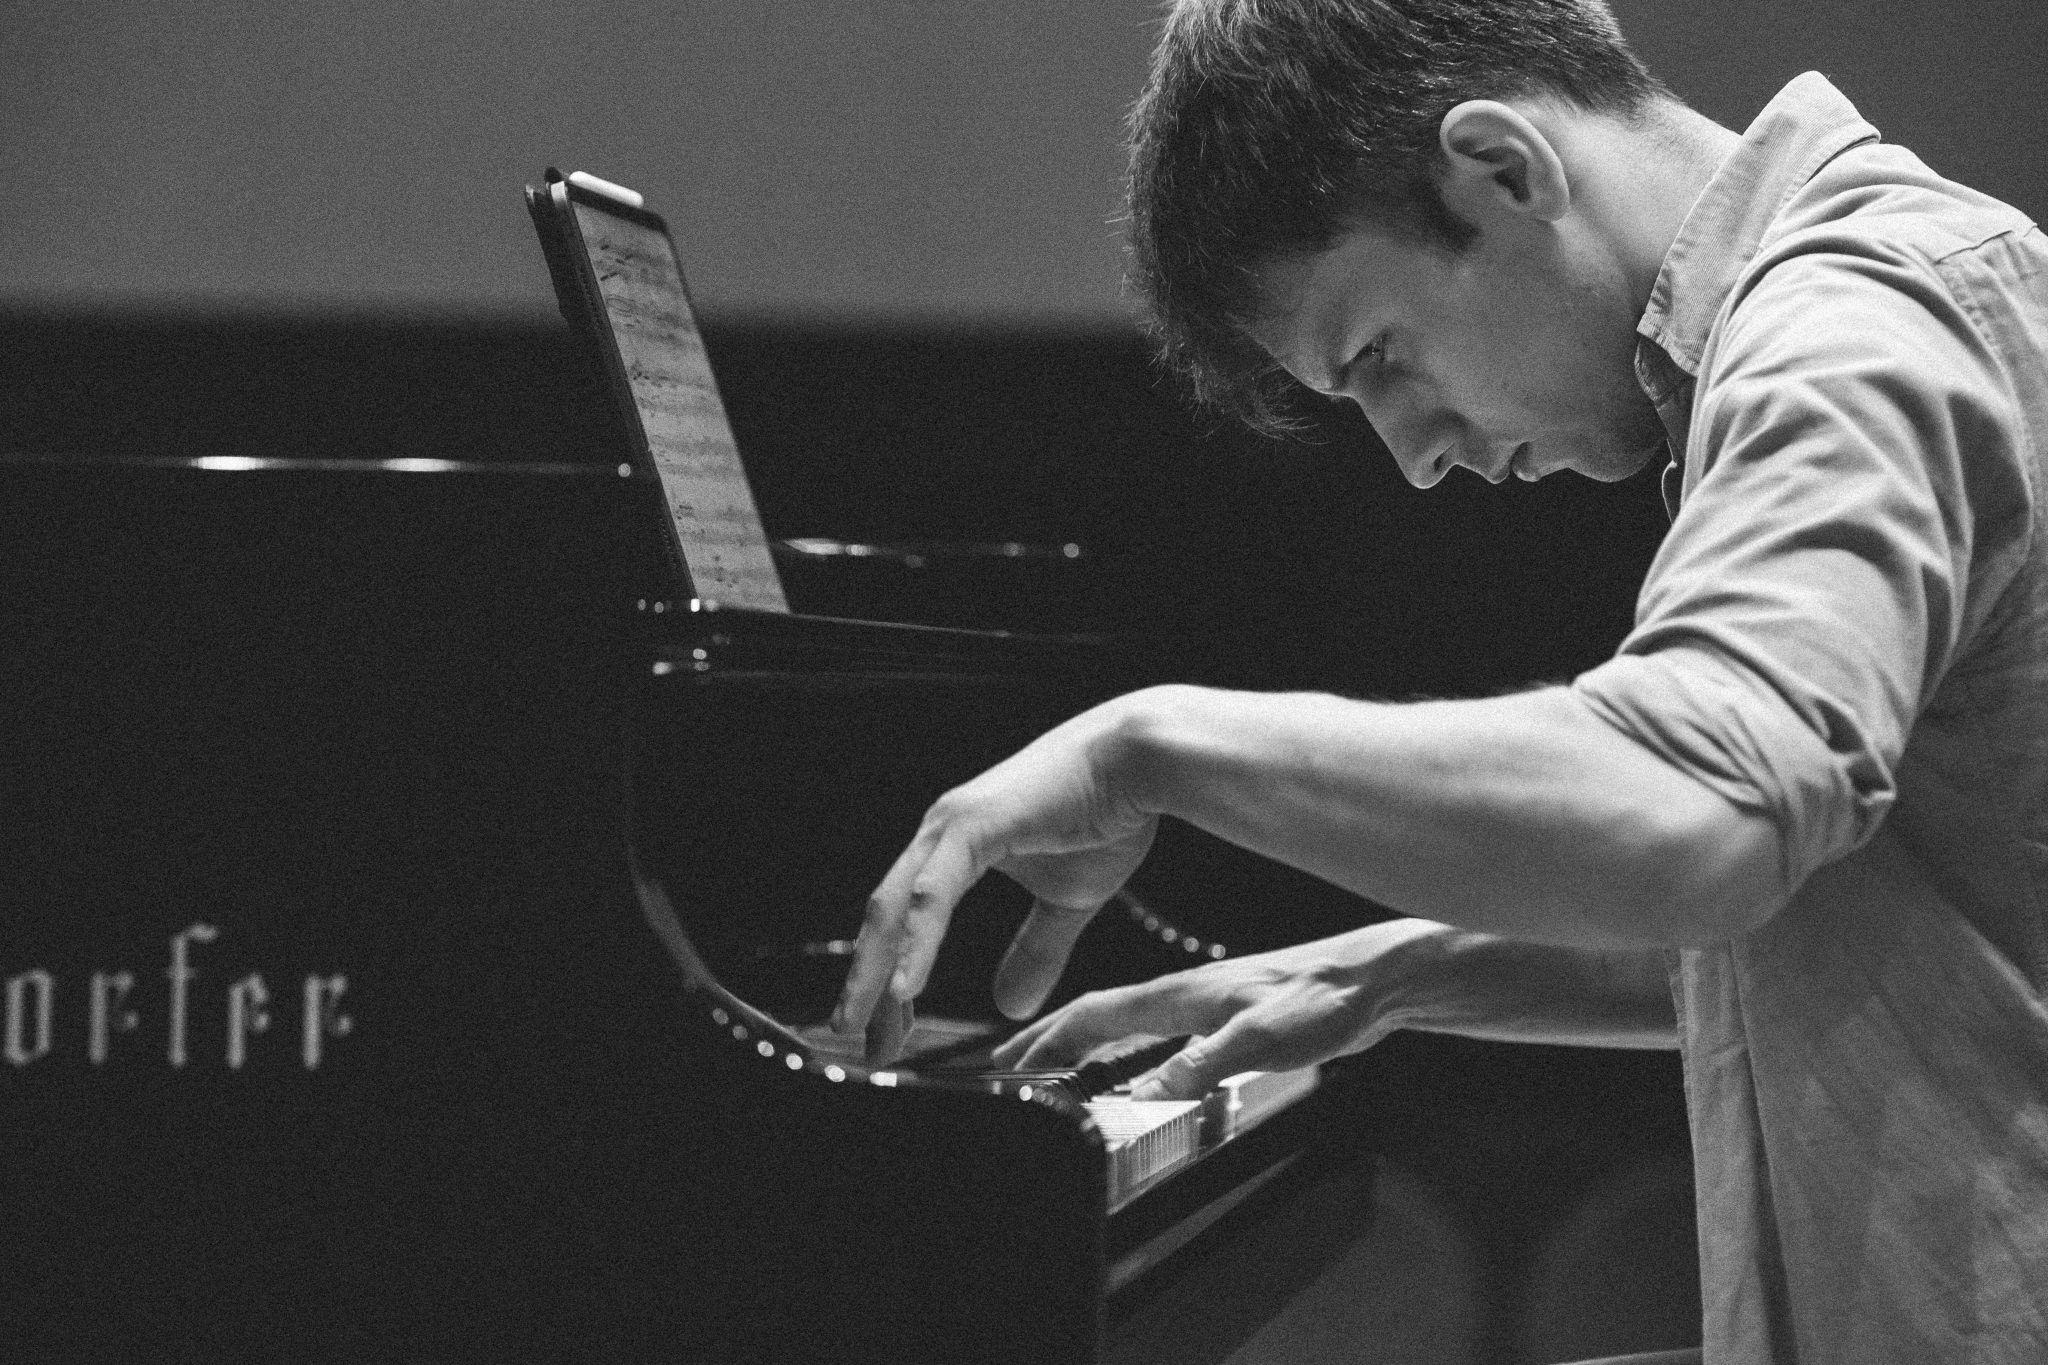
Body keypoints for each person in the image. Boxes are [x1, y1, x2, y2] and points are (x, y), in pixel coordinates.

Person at [830, 1, 2048, 1360]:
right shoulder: (1843, 314)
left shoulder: (1857, 326)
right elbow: (1826, 925)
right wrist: (1389, 974)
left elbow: (1707, 820)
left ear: (1502, 171)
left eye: (1380, 357)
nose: (1413, 458)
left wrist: (1151, 748)